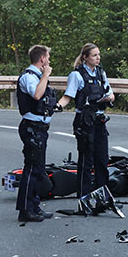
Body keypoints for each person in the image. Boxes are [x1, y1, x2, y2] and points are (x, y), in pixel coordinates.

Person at [56, 43, 116, 205]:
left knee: (102, 160)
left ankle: (102, 196)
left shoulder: (101, 73)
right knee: (86, 160)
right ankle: (84, 198)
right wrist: (58, 106)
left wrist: (109, 98)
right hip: (84, 121)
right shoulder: (76, 75)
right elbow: (68, 96)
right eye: (94, 55)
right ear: (85, 57)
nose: (98, 58)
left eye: (99, 54)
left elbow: (110, 93)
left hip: (100, 120)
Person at [15, 45, 60, 223]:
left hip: (41, 128)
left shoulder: (37, 77)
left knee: (39, 169)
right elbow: (36, 95)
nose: (49, 60)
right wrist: (46, 75)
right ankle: (25, 210)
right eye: (47, 57)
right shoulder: (28, 77)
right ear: (42, 59)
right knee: (31, 170)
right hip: (31, 128)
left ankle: (34, 206)